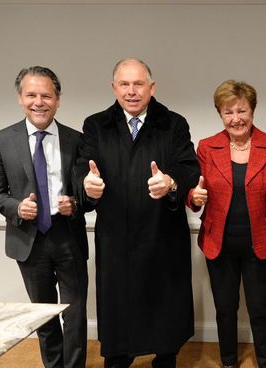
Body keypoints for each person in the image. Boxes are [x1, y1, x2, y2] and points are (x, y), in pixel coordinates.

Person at [77, 58, 200, 368]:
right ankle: (119, 358)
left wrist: (170, 182)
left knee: (165, 321)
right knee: (119, 316)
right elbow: (83, 166)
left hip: (163, 236)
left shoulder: (173, 123)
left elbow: (189, 168)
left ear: (151, 87)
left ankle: (164, 357)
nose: (131, 91)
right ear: (114, 87)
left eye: (138, 83)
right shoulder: (96, 124)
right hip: (117, 238)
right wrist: (87, 184)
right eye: (124, 84)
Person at [0, 66, 88, 368]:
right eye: (31, 95)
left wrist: (75, 204)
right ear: (20, 98)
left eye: (46, 95)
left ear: (57, 100)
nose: (38, 102)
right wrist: (17, 207)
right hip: (28, 240)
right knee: (43, 314)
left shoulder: (76, 140)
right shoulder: (1, 140)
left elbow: (87, 194)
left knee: (75, 313)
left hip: (68, 235)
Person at [187, 80, 266, 368]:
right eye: (228, 112)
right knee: (225, 309)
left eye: (242, 111)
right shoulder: (207, 148)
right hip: (218, 243)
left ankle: (265, 362)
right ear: (220, 115)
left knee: (260, 309)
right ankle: (229, 362)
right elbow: (194, 193)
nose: (236, 118)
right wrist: (194, 197)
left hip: (262, 242)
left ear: (253, 111)